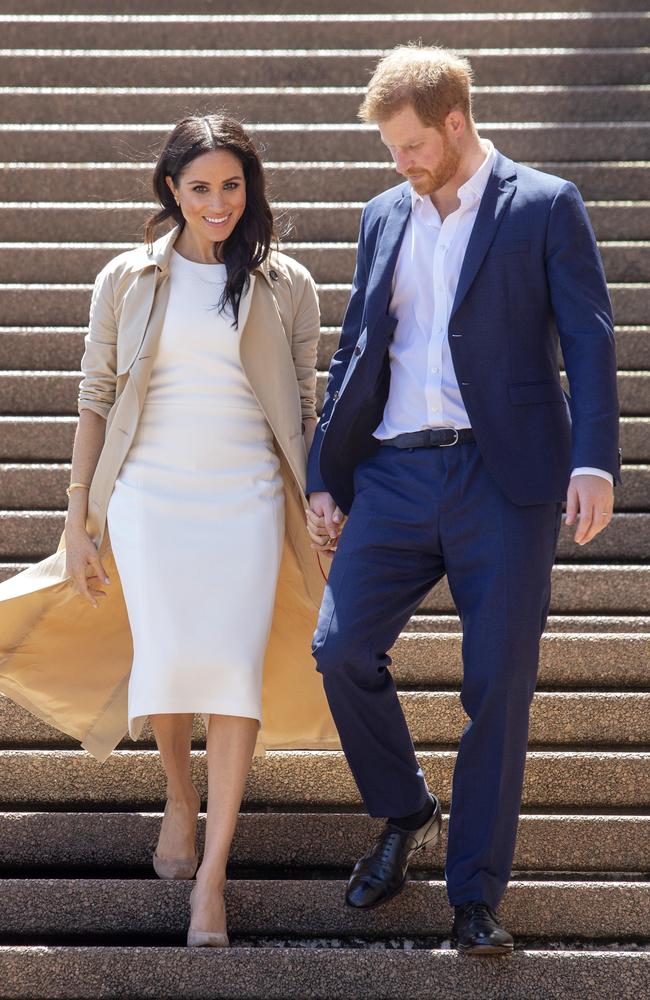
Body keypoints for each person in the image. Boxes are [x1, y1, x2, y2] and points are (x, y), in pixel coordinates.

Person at [306, 46, 619, 955]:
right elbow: (358, 349)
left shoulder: (545, 204)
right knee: (339, 648)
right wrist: (329, 468)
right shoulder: (381, 215)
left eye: (408, 145)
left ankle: (475, 895)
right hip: (397, 474)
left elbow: (591, 339)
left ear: (454, 123)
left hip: (506, 475)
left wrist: (593, 461)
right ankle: (407, 812)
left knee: (497, 686)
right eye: (389, 150)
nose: (398, 164)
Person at [0, 114, 337, 947]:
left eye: (232, 185)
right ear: (170, 190)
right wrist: (77, 518)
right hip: (148, 495)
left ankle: (213, 878)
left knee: (229, 673)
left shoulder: (287, 281)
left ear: (250, 186)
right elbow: (95, 400)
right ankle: (180, 799)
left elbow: (303, 407)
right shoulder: (127, 275)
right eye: (200, 188)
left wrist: (323, 498)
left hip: (250, 495)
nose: (218, 203)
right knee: (172, 661)